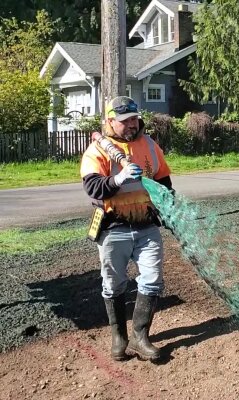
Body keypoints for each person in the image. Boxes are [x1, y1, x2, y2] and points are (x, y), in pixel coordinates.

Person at [80, 96, 173, 362]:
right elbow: (93, 187)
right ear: (110, 121)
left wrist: (169, 207)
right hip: (113, 228)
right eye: (125, 121)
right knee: (113, 284)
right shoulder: (97, 151)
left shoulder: (150, 146)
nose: (133, 124)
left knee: (153, 279)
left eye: (135, 119)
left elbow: (163, 180)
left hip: (146, 226)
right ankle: (119, 337)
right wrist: (118, 179)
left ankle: (140, 337)